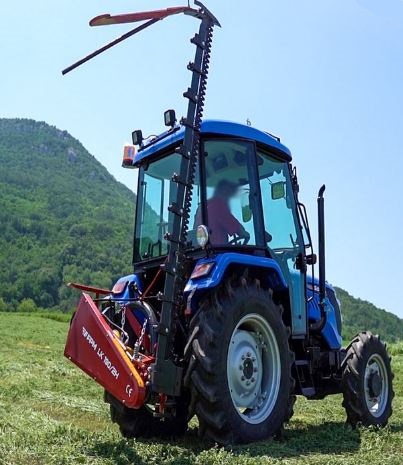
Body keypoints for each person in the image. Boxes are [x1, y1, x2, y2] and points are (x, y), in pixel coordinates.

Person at [195, 179, 250, 245]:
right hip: (216, 251)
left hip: (204, 251)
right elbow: (241, 232)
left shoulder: (201, 207)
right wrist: (250, 235)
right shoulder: (218, 205)